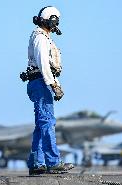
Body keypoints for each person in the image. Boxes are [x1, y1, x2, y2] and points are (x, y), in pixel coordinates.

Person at [20, 6, 74, 175]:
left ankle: (37, 163)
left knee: (41, 125)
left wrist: (54, 83)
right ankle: (53, 162)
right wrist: (53, 85)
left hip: (40, 82)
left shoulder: (43, 37)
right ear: (51, 20)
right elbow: (44, 64)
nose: (57, 23)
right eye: (55, 20)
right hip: (41, 83)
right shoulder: (41, 38)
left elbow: (47, 67)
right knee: (47, 123)